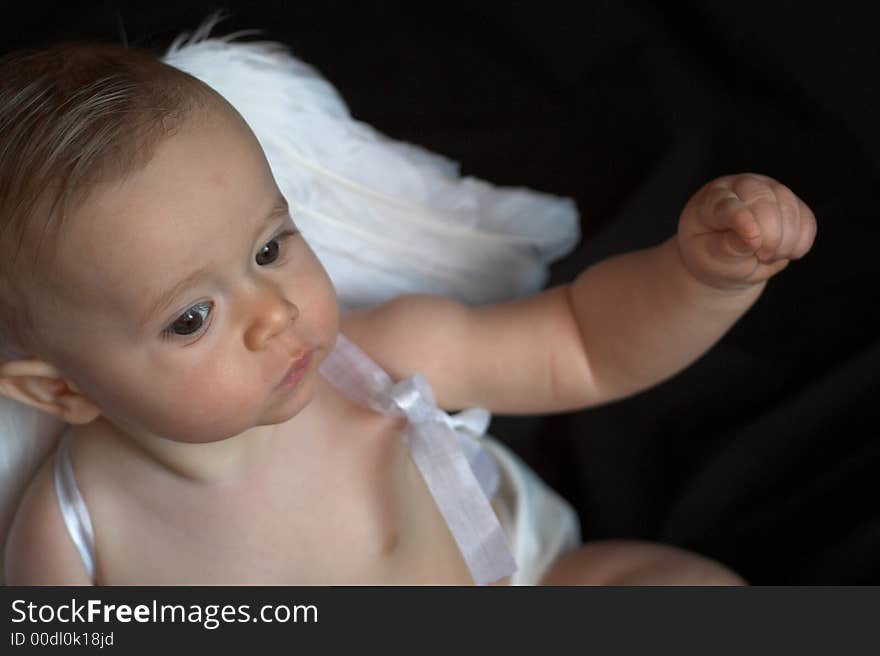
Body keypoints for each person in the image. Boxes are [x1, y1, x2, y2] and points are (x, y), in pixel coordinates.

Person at [0, 37, 815, 586]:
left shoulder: (376, 360)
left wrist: (702, 276)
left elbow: (583, 343)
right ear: (59, 391)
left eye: (270, 248)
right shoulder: (74, 538)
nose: (276, 314)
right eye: (190, 319)